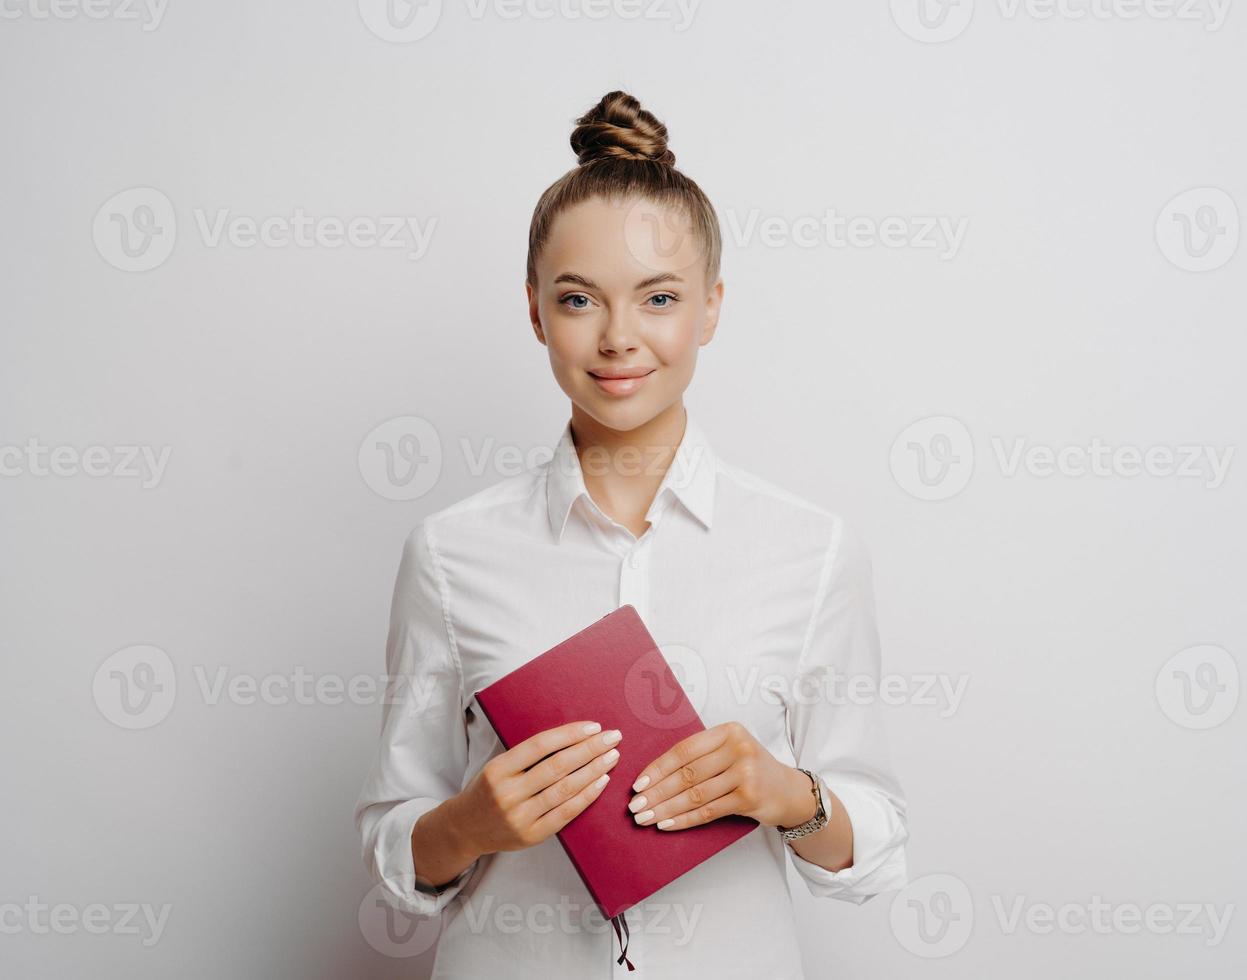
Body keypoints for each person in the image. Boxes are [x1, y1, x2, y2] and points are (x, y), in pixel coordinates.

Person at [353, 90, 909, 978]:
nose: (619, 338)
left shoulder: (812, 553)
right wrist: (470, 824)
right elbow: (393, 846)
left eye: (658, 297)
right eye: (579, 300)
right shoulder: (451, 556)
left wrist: (787, 795)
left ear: (711, 309)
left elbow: (873, 850)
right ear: (536, 312)